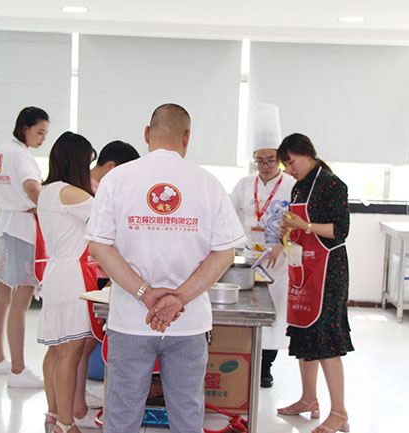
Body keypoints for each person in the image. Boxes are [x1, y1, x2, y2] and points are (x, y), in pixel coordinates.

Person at [85, 103, 246, 433]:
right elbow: (224, 253)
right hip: (188, 321)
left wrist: (145, 294)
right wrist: (178, 298)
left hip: (130, 319)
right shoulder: (207, 183)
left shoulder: (116, 179)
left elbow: (99, 246)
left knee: (122, 414)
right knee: (187, 415)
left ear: (147, 133)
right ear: (187, 138)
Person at [275, 133, 353, 433]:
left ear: (306, 154)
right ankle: (308, 399)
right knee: (305, 331)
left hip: (329, 271)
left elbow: (340, 230)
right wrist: (287, 230)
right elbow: (296, 225)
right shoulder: (299, 186)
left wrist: (304, 225)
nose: (288, 169)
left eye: (290, 162)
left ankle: (339, 412)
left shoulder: (333, 185)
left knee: (326, 338)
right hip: (304, 267)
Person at [72, 140, 141, 428]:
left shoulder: (90, 186)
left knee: (86, 342)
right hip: (93, 272)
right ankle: (76, 408)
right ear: (112, 167)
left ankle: (78, 401)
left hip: (96, 270)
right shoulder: (93, 191)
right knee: (83, 342)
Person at [36, 131, 98, 433]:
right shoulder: (71, 193)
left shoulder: (47, 191)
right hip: (73, 276)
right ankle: (65, 422)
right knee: (70, 354)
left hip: (54, 272)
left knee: (56, 350)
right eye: (87, 163)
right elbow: (108, 217)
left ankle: (53, 414)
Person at [229, 103, 295, 388]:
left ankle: (266, 367)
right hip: (248, 259)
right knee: (247, 311)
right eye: (260, 161)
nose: (265, 166)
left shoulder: (291, 185)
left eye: (270, 160)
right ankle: (246, 362)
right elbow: (228, 213)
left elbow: (300, 223)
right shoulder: (245, 184)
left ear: (279, 160)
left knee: (275, 315)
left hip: (278, 260)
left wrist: (283, 244)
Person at [0, 106, 48, 388]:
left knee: (3, 295)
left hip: (4, 226)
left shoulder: (4, 151)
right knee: (20, 301)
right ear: (26, 129)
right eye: (40, 132)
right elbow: (32, 187)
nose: (42, 138)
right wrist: (48, 208)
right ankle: (18, 371)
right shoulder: (21, 155)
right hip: (20, 231)